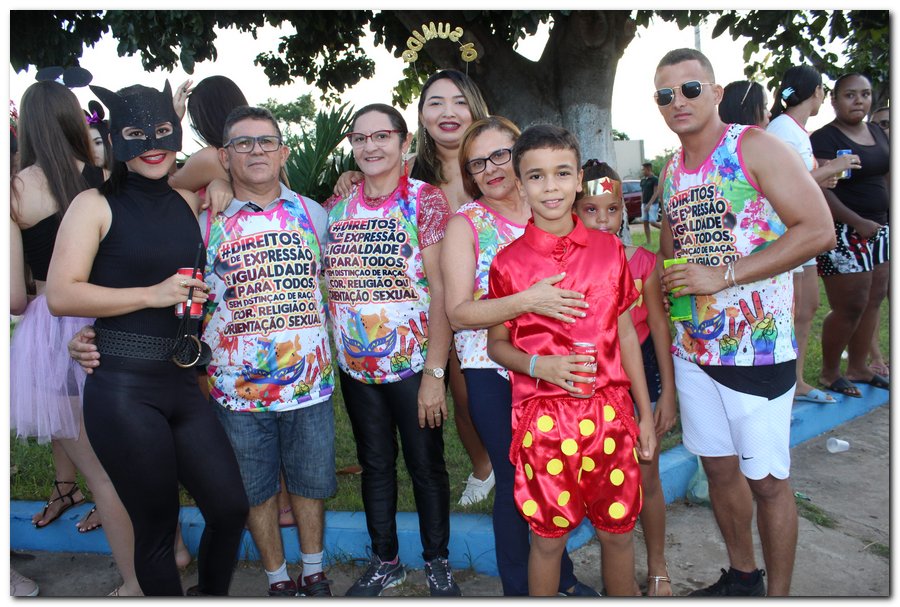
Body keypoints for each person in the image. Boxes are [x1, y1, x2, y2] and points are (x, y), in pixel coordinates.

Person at [45, 80, 249, 596]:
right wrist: (151, 294)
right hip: (121, 388)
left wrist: (218, 187)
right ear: (115, 139)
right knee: (156, 534)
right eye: (137, 133)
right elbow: (62, 295)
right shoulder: (92, 205)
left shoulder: (186, 196)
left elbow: (230, 158)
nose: (153, 144)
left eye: (163, 130)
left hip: (181, 381)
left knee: (229, 508)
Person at [653, 48, 835, 596]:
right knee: (718, 469)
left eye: (689, 89)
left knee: (769, 483)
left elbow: (817, 229)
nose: (677, 102)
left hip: (756, 351)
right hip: (696, 353)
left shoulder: (753, 146)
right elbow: (672, 257)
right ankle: (742, 577)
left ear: (715, 92)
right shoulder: (671, 168)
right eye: (665, 95)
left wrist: (724, 275)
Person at [486, 124, 656, 596]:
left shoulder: (610, 251)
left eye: (562, 173)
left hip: (610, 415)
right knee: (548, 541)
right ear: (520, 185)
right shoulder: (509, 263)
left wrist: (643, 413)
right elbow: (496, 345)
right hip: (544, 424)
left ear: (578, 178)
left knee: (618, 534)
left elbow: (625, 333)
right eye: (536, 177)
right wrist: (541, 368)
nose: (551, 187)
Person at [441, 116, 598, 597]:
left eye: (500, 155)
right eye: (476, 163)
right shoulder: (466, 224)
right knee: (516, 484)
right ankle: (520, 589)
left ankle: (558, 579)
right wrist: (526, 300)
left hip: (557, 366)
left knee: (556, 475)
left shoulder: (551, 208)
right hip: (492, 371)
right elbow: (459, 312)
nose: (490, 169)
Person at [334, 70, 495, 507]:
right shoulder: (413, 177)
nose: (448, 112)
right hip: (444, 305)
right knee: (463, 395)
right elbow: (374, 186)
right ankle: (484, 467)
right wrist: (350, 178)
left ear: (475, 108)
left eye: (459, 101)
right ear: (420, 119)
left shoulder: (496, 160)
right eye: (435, 103)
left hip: (502, 294)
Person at [9, 80, 142, 596]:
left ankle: (135, 582)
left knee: (102, 471)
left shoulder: (17, 190)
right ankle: (171, 550)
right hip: (112, 320)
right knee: (134, 454)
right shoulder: (108, 179)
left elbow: (15, 299)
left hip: (51, 332)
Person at [323, 103, 460, 596]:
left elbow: (443, 292)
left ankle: (437, 561)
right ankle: (386, 561)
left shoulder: (425, 201)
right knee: (375, 463)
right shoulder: (337, 207)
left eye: (382, 136)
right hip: (356, 368)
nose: (370, 147)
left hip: (412, 365)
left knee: (426, 465)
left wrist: (435, 372)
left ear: (404, 142)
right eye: (360, 139)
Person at [201, 106, 337, 597]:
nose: (255, 150)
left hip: (309, 383)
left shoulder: (314, 213)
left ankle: (315, 572)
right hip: (238, 388)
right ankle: (278, 580)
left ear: (283, 152)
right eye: (243, 143)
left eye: (266, 141)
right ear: (224, 156)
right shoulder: (206, 220)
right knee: (254, 488)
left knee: (310, 482)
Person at [573, 159, 677, 596]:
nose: (602, 220)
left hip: (638, 382)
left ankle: (656, 567)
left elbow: (657, 331)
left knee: (646, 477)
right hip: (585, 384)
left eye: (611, 210)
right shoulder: (564, 264)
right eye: (591, 210)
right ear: (575, 210)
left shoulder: (643, 263)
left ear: (624, 211)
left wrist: (665, 395)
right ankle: (615, 573)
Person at [767, 65, 851, 404]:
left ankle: (796, 379)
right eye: (823, 91)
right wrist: (831, 169)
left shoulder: (795, 129)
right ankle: (790, 382)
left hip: (803, 230)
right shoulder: (783, 129)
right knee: (797, 309)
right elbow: (785, 186)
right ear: (816, 92)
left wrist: (823, 175)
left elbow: (802, 179)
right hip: (788, 232)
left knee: (808, 306)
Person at [810, 74, 890, 398]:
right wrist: (856, 221)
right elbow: (821, 189)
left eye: (865, 94)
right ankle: (831, 371)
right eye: (850, 95)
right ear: (834, 99)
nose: (859, 101)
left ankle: (860, 366)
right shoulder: (825, 138)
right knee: (851, 303)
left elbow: (885, 175)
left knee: (874, 298)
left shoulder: (875, 132)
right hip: (844, 230)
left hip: (880, 227)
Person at [867, 104, 889, 379]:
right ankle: (875, 357)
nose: (883, 130)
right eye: (879, 124)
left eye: (887, 123)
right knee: (871, 297)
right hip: (873, 228)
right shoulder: (873, 158)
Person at [638, 162, 660, 245]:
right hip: (644, 204)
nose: (642, 171)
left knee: (652, 222)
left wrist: (649, 204)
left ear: (648, 169)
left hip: (653, 204)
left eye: (643, 169)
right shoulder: (643, 180)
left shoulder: (655, 179)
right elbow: (642, 192)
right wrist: (642, 203)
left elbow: (656, 193)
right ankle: (648, 241)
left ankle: (665, 231)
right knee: (645, 222)